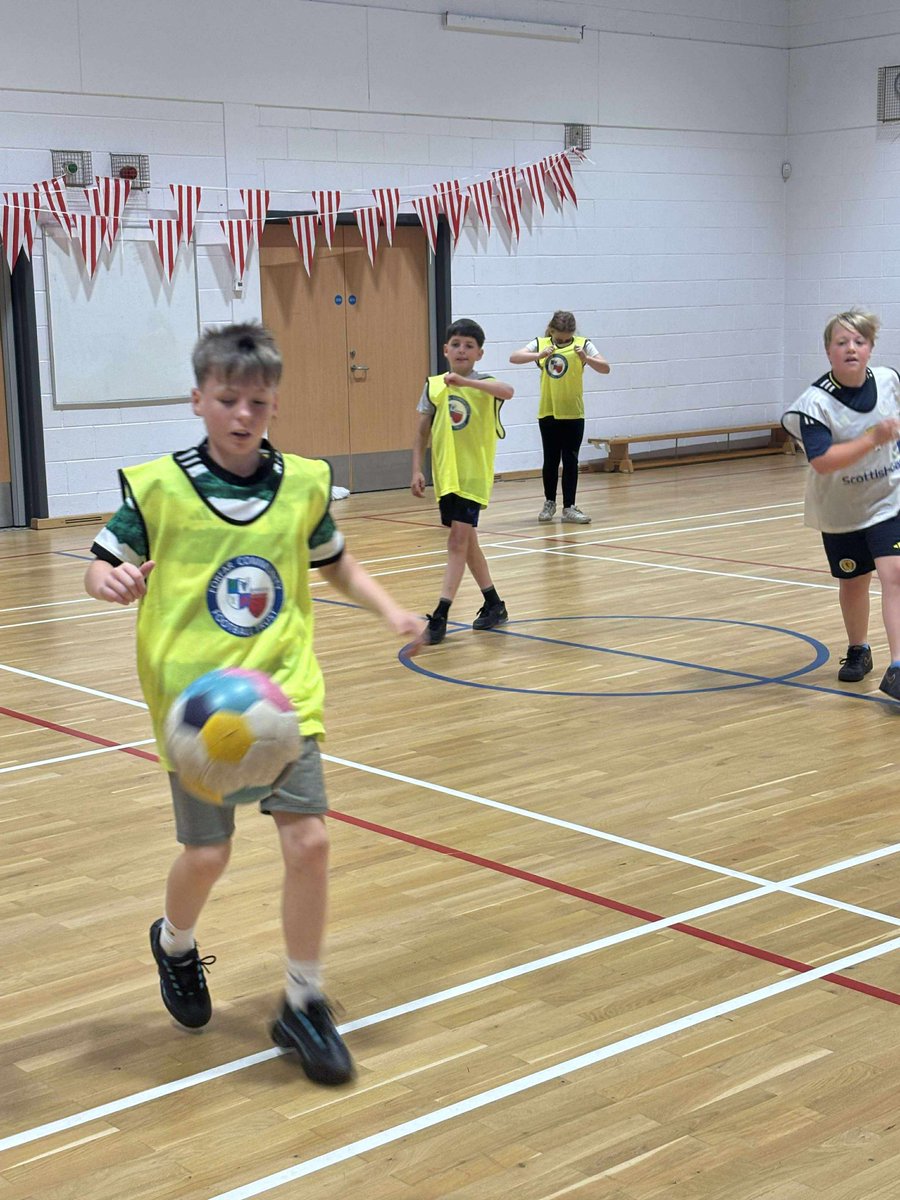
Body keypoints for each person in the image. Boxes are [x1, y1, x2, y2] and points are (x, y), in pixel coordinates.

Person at [84, 322, 425, 1087]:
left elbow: (337, 564)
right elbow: (103, 559)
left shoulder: (301, 483)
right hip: (198, 707)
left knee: (311, 844)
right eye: (229, 399)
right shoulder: (160, 487)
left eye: (259, 402)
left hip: (282, 696)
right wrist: (104, 580)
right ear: (199, 399)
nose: (244, 415)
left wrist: (391, 610)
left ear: (274, 404)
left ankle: (303, 1001)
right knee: (209, 854)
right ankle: (175, 942)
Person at [782, 308, 900, 697]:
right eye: (842, 342)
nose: (851, 348)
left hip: (889, 499)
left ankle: (898, 666)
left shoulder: (889, 381)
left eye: (859, 341)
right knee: (853, 582)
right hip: (841, 509)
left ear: (870, 349)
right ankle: (858, 649)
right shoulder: (813, 403)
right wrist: (873, 438)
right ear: (828, 351)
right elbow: (822, 460)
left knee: (894, 575)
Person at [411, 318, 515, 645]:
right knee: (467, 543)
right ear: (445, 349)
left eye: (469, 346)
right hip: (447, 477)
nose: (462, 350)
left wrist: (467, 384)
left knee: (458, 540)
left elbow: (508, 391)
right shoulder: (434, 386)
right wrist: (417, 469)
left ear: (479, 354)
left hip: (473, 476)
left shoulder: (486, 384)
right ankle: (494, 603)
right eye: (456, 344)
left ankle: (441, 613)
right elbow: (421, 432)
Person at [509, 310, 610, 524]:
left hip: (573, 412)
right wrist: (538, 355)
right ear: (552, 331)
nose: (563, 341)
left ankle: (569, 507)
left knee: (571, 459)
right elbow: (514, 357)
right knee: (551, 459)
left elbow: (605, 368)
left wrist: (587, 358)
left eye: (566, 338)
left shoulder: (583, 344)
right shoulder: (542, 342)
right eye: (559, 338)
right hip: (549, 411)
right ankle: (549, 503)